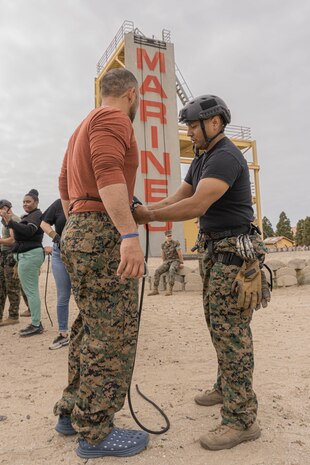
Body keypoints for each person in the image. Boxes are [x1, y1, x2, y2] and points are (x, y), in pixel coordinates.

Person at [134, 95, 269, 451]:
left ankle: (242, 419)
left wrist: (149, 217)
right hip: (215, 254)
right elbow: (179, 195)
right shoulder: (202, 158)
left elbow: (197, 205)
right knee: (218, 325)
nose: (189, 131)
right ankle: (227, 388)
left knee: (232, 334)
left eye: (193, 125)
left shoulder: (225, 156)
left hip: (232, 256)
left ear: (215, 123)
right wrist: (148, 209)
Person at [54, 68, 149, 459]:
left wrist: (80, 219)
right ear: (130, 93)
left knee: (88, 325)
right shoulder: (114, 117)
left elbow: (63, 186)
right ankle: (95, 432)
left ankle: (69, 412)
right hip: (100, 231)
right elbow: (110, 173)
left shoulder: (80, 129)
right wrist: (126, 234)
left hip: (76, 226)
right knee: (111, 334)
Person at [1, 189, 45, 337]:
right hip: (24, 256)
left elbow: (28, 231)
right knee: (28, 290)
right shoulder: (28, 216)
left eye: (28, 201)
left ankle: (36, 325)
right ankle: (35, 322)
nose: (25, 204)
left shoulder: (37, 215)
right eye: (24, 202)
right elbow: (19, 235)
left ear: (36, 202)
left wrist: (10, 221)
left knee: (31, 291)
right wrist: (8, 222)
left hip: (30, 255)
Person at [41, 199, 71, 350]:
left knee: (84, 293)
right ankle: (63, 334)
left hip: (82, 253)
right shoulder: (59, 203)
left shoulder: (87, 197)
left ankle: (89, 331)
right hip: (59, 252)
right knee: (63, 295)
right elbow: (44, 223)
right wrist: (56, 237)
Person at [0, 199, 22, 325]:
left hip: (11, 256)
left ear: (5, 208)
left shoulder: (13, 219)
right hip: (4, 256)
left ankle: (13, 316)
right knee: (2, 286)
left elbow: (13, 240)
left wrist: (0, 241)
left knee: (12, 287)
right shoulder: (5, 221)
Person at [148, 230, 184, 296]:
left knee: (172, 269)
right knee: (157, 271)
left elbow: (179, 253)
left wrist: (181, 262)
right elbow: (163, 254)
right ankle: (155, 290)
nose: (169, 237)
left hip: (175, 260)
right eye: (168, 236)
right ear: (165, 237)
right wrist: (163, 263)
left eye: (170, 236)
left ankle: (170, 290)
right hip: (167, 261)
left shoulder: (176, 243)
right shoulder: (163, 245)